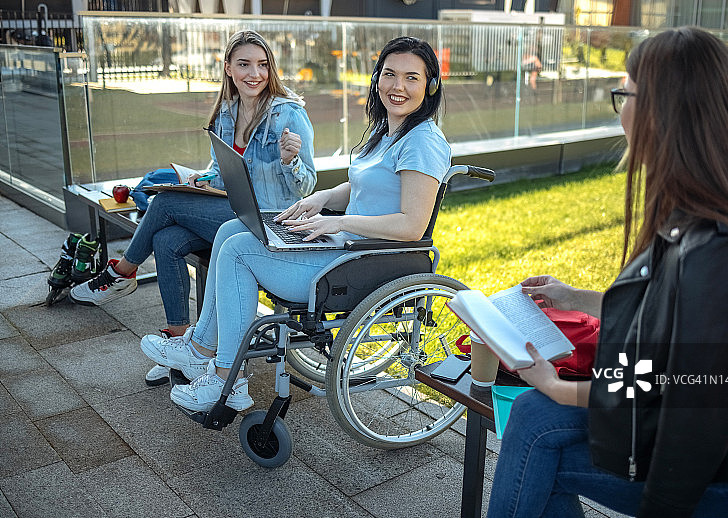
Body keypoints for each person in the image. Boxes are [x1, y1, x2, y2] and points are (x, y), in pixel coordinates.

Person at [487, 27, 728, 518]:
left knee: (534, 438)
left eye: (625, 94)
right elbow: (673, 323)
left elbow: (691, 417)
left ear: (663, 111)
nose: (621, 111)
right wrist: (574, 299)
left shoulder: (717, 250)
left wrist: (559, 387)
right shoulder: (714, 206)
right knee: (532, 415)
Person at [139, 35, 451, 412]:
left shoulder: (423, 141)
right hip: (342, 249)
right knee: (230, 230)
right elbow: (362, 185)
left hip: (358, 263)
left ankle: (226, 378)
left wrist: (336, 223)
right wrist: (320, 199)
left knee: (239, 252)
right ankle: (201, 348)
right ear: (376, 80)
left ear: (430, 85)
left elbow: (412, 226)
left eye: (411, 77)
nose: (397, 86)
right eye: (389, 74)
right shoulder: (389, 131)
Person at [70, 30, 316, 341]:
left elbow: (305, 187)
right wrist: (203, 178)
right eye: (244, 65)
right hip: (233, 212)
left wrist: (288, 161)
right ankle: (180, 338)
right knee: (166, 240)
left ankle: (121, 274)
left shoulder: (288, 114)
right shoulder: (228, 112)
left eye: (263, 65)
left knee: (165, 202)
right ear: (228, 67)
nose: (255, 74)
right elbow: (224, 170)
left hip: (269, 221)